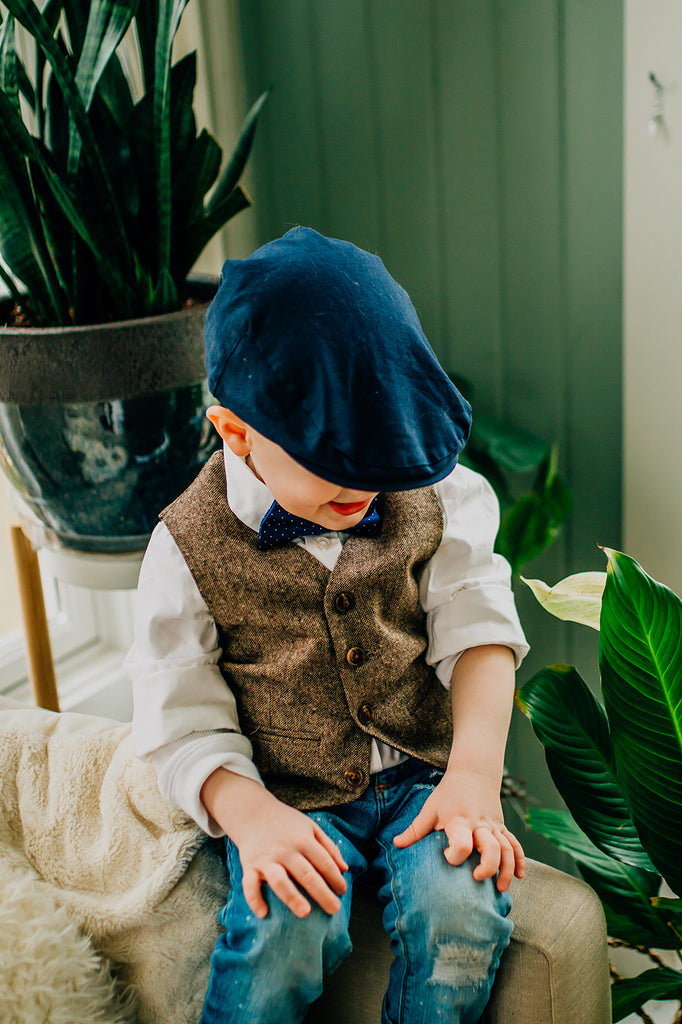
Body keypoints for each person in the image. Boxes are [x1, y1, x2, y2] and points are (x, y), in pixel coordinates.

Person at [126, 227, 530, 1024]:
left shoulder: (439, 494)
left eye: (381, 457)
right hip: (289, 793)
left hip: (424, 773)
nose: (367, 483)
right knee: (283, 927)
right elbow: (178, 718)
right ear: (236, 432)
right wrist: (251, 818)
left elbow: (480, 632)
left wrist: (474, 776)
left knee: (462, 910)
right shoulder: (184, 546)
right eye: (335, 462)